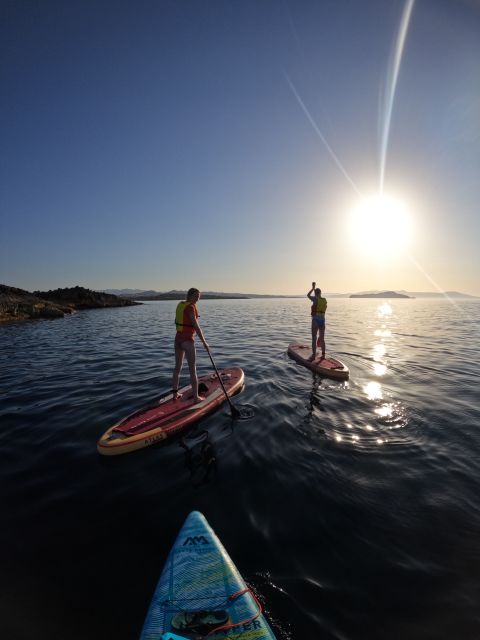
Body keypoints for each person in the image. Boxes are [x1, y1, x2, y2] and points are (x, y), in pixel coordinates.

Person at [172, 287, 209, 403]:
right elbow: (196, 327)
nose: (197, 299)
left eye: (199, 297)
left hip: (177, 340)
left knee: (177, 368)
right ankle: (196, 398)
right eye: (196, 296)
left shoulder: (180, 305)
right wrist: (204, 343)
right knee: (193, 369)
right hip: (187, 341)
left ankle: (175, 394)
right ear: (190, 296)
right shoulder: (190, 308)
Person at [307, 282, 327, 360]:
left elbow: (308, 295)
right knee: (322, 338)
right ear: (321, 293)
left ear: (315, 293)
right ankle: (323, 355)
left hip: (315, 320)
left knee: (314, 338)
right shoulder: (324, 300)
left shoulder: (315, 299)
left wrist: (312, 288)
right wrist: (315, 289)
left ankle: (314, 355)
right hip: (322, 321)